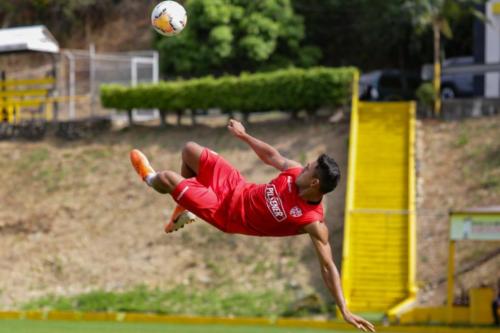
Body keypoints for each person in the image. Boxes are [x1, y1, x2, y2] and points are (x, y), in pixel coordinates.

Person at [130, 119, 375, 332]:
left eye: (309, 167)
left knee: (168, 178)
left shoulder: (312, 221)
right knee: (190, 150)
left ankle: (149, 177)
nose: (304, 165)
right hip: (234, 185)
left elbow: (327, 265)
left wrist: (344, 308)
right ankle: (185, 205)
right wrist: (244, 136)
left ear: (313, 183)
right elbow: (271, 156)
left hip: (225, 213)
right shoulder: (294, 173)